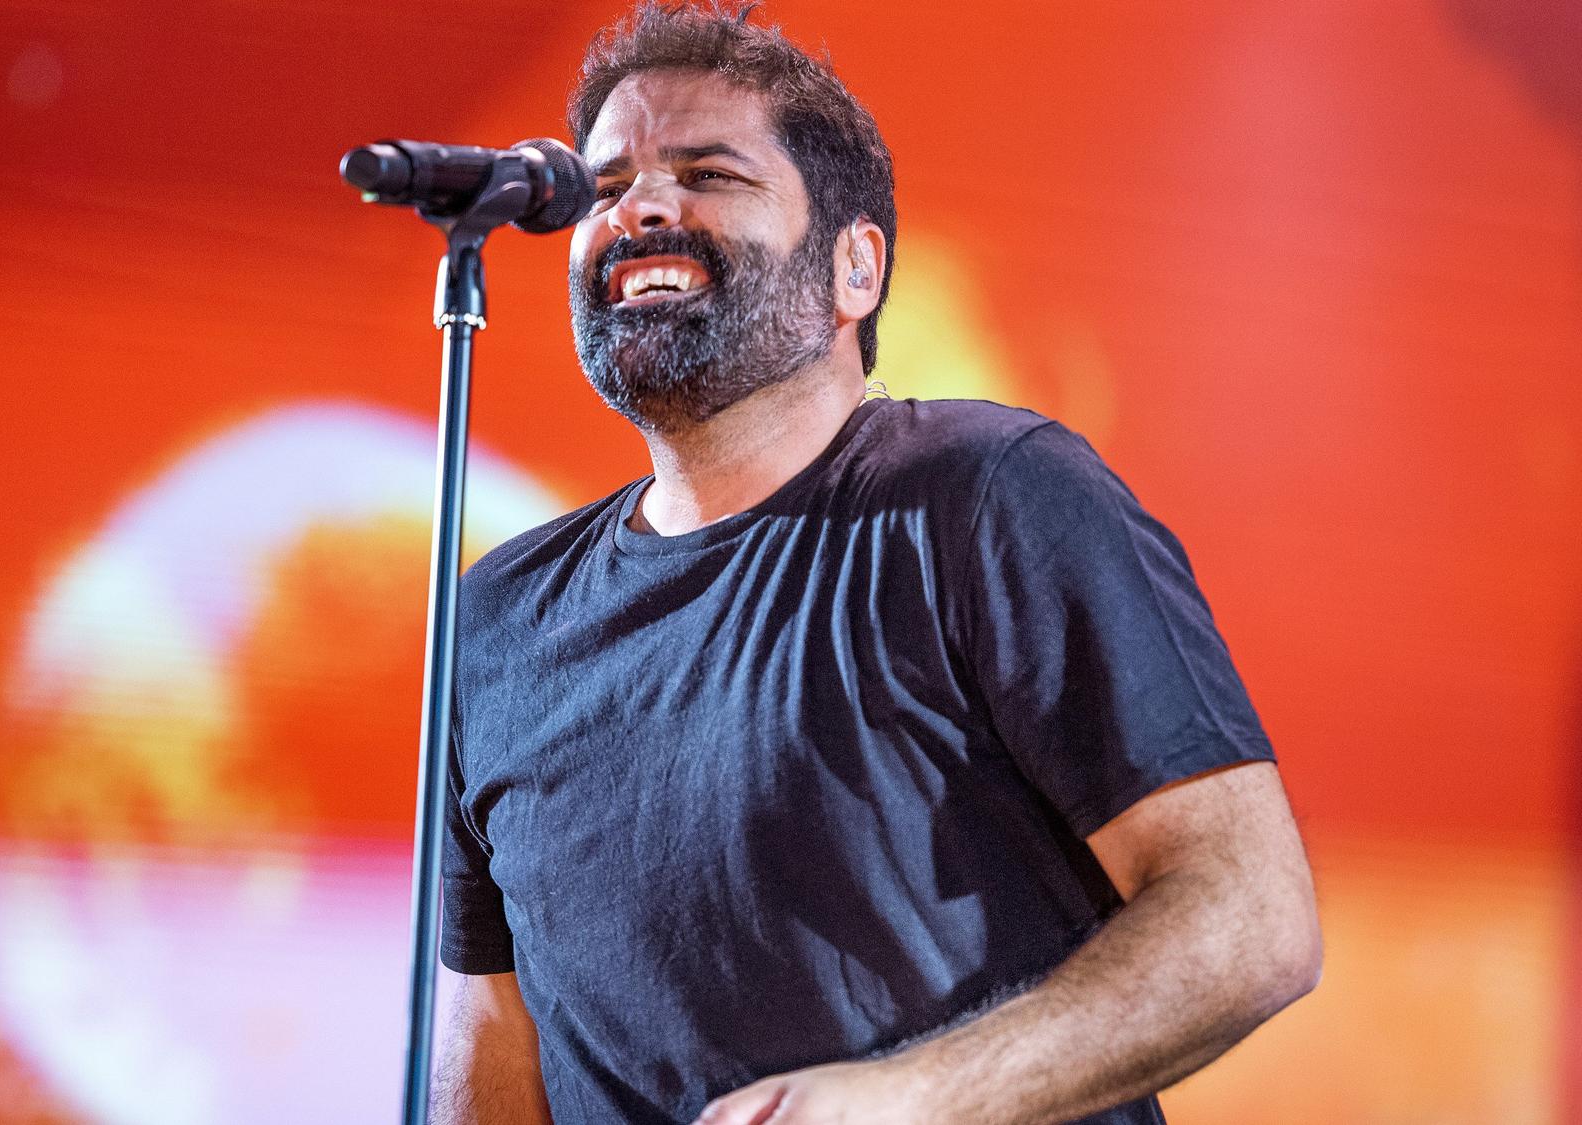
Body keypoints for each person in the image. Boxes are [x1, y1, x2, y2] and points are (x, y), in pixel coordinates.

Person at [433, 4, 1321, 1123]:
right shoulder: (496, 620)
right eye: (604, 189)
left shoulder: (988, 494)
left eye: (706, 173)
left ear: (854, 268)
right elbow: (492, 1045)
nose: (642, 207)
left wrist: (909, 1101)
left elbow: (1250, 920)